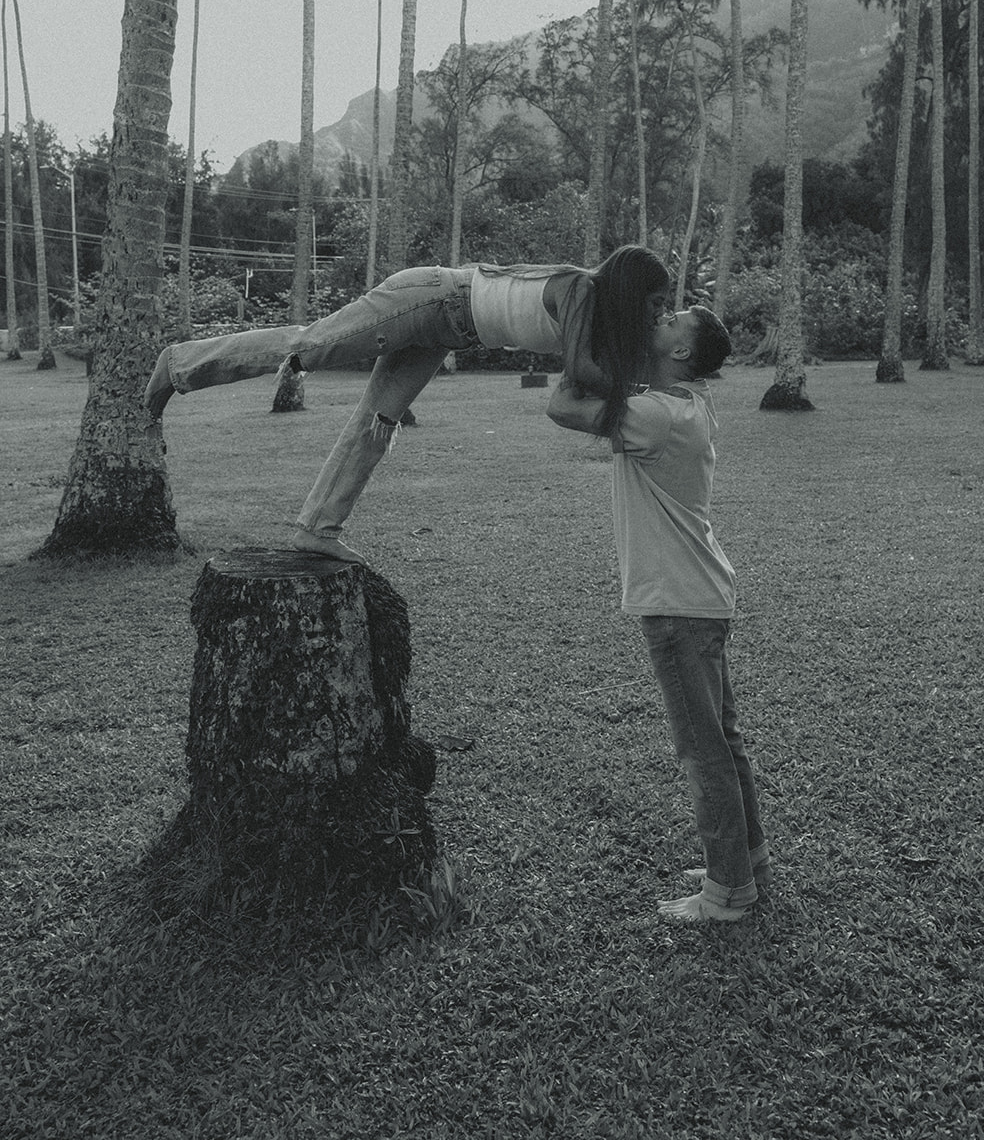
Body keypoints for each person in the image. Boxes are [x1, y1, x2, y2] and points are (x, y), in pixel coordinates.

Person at [145, 247, 670, 561]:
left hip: (448, 331)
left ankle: (317, 528)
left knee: (379, 421)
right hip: (430, 298)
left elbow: (591, 377)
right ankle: (179, 363)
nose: (657, 313)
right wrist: (641, 385)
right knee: (310, 347)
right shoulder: (582, 289)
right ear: (629, 289)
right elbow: (579, 373)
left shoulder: (598, 319)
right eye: (654, 303)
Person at [547, 304, 769, 924]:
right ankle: (749, 858)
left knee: (702, 749)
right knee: (723, 741)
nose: (660, 317)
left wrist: (582, 326)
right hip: (700, 596)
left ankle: (728, 891)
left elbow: (562, 405)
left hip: (677, 604)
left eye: (673, 320)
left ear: (680, 353)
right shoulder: (681, 405)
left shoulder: (657, 415)